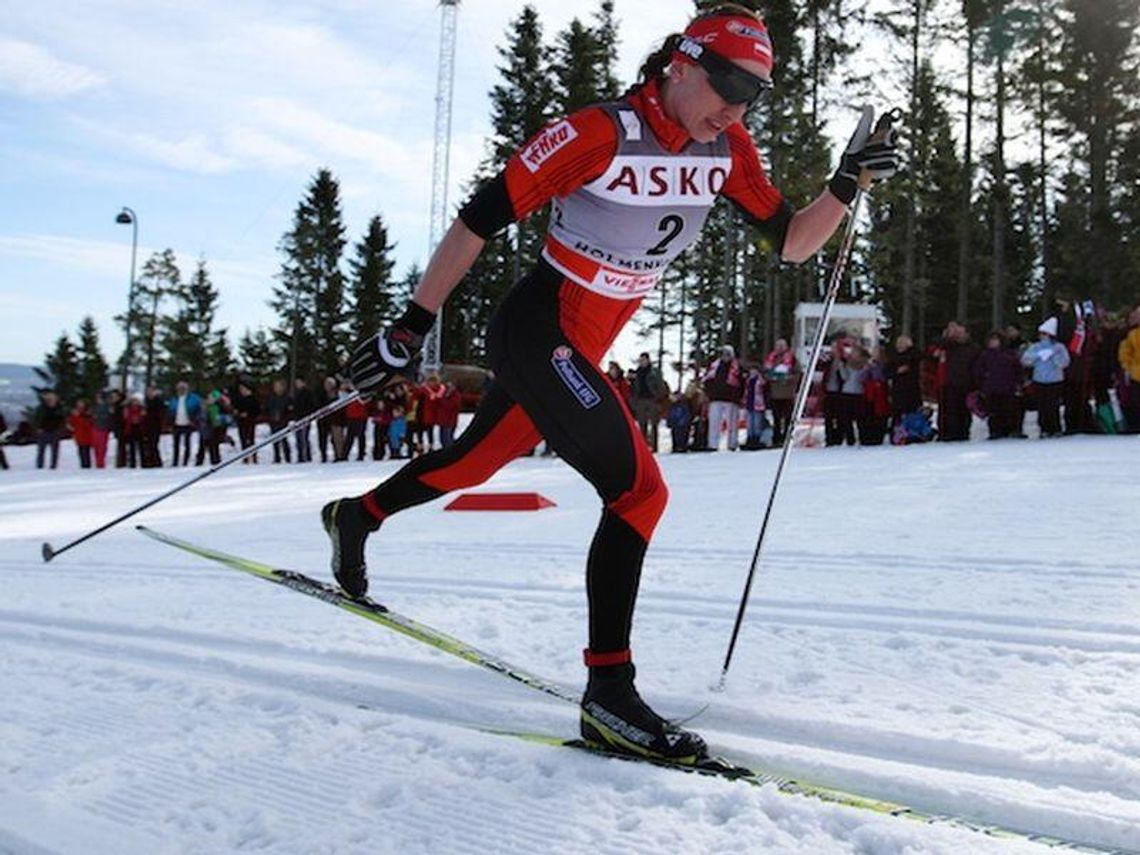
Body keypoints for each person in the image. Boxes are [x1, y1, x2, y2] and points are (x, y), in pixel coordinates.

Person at [321, 5, 896, 763]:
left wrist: (846, 183)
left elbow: (792, 243)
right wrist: (411, 324)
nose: (735, 105)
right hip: (539, 328)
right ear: (680, 65)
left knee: (473, 462)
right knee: (641, 491)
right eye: (726, 83)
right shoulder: (599, 133)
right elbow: (476, 220)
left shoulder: (726, 149)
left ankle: (355, 516)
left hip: (582, 347)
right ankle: (608, 695)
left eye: (753, 93)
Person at [1021, 317, 1071, 437]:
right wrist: (1038, 355)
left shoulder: (1059, 347)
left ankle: (1055, 428)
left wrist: (1053, 356)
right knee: (1042, 406)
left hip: (1055, 381)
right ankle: (1044, 428)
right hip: (1039, 380)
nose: (1042, 336)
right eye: (1041, 334)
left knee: (1053, 406)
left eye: (1044, 334)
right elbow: (1025, 359)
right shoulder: (1036, 347)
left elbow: (1064, 363)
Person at [974, 331, 1021, 439]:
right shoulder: (985, 355)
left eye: (995, 339)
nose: (993, 342)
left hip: (1008, 387)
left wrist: (1018, 382)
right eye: (991, 340)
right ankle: (995, 431)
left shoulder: (1009, 354)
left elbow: (1017, 368)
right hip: (991, 388)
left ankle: (1011, 429)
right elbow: (978, 371)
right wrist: (981, 384)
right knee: (993, 411)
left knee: (1010, 410)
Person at [703, 345, 744, 451]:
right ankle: (713, 445)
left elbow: (741, 383)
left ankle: (732, 444)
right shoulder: (714, 366)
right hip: (715, 398)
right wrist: (709, 393)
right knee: (714, 423)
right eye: (723, 353)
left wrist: (739, 396)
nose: (725, 355)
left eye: (727, 353)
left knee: (732, 424)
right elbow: (707, 380)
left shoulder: (737, 367)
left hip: (731, 399)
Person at [630, 353, 668, 452]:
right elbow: (633, 388)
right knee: (642, 425)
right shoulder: (637, 373)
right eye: (641, 360)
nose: (642, 362)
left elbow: (661, 385)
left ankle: (654, 447)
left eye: (644, 359)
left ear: (648, 360)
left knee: (654, 425)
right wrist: (634, 402)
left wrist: (658, 397)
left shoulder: (655, 372)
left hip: (652, 400)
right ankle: (644, 448)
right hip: (640, 400)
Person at [762, 339, 797, 445]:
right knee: (776, 418)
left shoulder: (792, 358)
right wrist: (771, 377)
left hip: (788, 393)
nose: (780, 348)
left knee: (788, 418)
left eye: (782, 346)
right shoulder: (770, 358)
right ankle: (776, 439)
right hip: (774, 393)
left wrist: (789, 378)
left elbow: (798, 373)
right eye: (778, 346)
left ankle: (787, 439)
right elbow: (765, 372)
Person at [1117, 305, 1140, 432]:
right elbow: (1124, 352)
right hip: (1136, 373)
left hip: (1135, 372)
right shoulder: (1132, 335)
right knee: (1135, 402)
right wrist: (1128, 367)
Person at [167, 380, 201, 466]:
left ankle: (185, 462)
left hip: (188, 424)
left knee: (187, 444)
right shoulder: (174, 399)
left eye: (183, 388)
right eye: (179, 388)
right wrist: (169, 423)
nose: (181, 390)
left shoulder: (194, 398)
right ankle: (175, 462)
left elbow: (199, 410)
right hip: (176, 424)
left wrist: (195, 420)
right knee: (176, 444)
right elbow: (170, 412)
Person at [33, 389, 66, 469]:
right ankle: (39, 466)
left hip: (55, 431)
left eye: (52, 397)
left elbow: (62, 419)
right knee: (41, 451)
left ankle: (53, 466)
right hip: (43, 431)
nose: (51, 398)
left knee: (55, 451)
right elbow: (35, 418)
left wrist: (60, 429)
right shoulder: (41, 408)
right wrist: (37, 428)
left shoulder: (59, 408)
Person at [265, 378, 294, 463]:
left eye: (278, 386)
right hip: (273, 421)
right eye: (275, 386)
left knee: (284, 440)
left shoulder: (287, 397)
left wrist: (286, 417)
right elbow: (267, 408)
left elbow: (290, 410)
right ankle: (277, 457)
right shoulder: (271, 397)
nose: (276, 388)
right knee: (275, 441)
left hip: (283, 421)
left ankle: (287, 458)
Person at [232, 380, 261, 464]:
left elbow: (257, 410)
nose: (242, 391)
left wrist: (248, 414)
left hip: (250, 421)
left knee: (251, 439)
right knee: (243, 439)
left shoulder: (253, 399)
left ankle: (254, 457)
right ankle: (245, 457)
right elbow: (235, 408)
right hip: (241, 422)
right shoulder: (239, 398)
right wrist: (237, 413)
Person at [293, 377, 317, 463]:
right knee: (298, 438)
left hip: (305, 418)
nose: (297, 384)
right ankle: (301, 456)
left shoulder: (308, 393)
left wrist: (308, 415)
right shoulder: (297, 393)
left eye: (299, 382)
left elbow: (311, 405)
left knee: (304, 438)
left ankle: (306, 456)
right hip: (298, 418)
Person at [68, 398, 95, 468]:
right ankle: (83, 466)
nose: (80, 405)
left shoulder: (87, 413)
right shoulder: (74, 413)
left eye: (81, 403)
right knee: (81, 452)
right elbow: (71, 423)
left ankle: (87, 467)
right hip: (79, 435)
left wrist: (79, 416)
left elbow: (88, 423)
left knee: (86, 452)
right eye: (78, 403)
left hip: (86, 436)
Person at [91, 390, 112, 468]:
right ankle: (97, 462)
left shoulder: (107, 406)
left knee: (102, 447)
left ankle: (101, 463)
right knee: (95, 446)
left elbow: (108, 416)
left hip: (103, 428)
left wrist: (99, 417)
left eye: (99, 397)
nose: (97, 398)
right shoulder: (95, 406)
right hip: (95, 427)